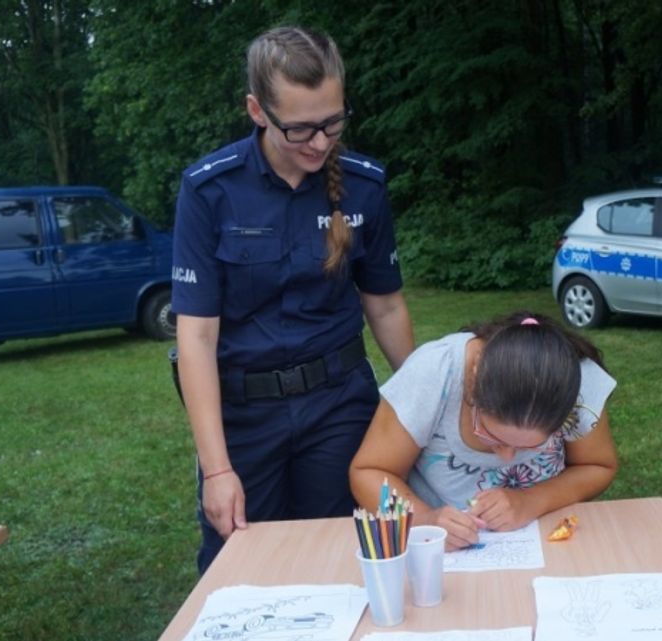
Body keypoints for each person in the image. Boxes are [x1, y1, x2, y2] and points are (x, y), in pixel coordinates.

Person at [171, 26, 414, 573]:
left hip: (339, 406)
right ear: (257, 110)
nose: (321, 143)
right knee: (242, 570)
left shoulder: (365, 187)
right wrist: (216, 470)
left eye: (333, 122)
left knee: (345, 560)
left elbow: (386, 305)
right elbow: (197, 335)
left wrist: (431, 400)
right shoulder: (211, 190)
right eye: (301, 128)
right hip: (245, 416)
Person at [349, 312, 619, 550]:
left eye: (531, 447)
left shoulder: (577, 384)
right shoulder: (435, 372)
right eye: (493, 438)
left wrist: (531, 501)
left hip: (545, 542)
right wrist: (424, 520)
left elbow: (597, 465)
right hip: (439, 553)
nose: (507, 458)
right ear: (473, 383)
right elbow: (368, 473)